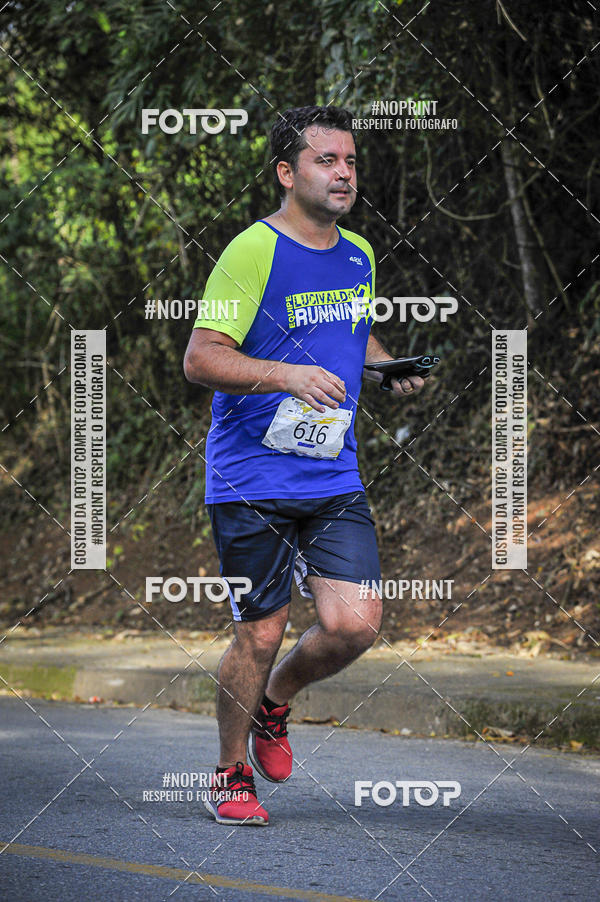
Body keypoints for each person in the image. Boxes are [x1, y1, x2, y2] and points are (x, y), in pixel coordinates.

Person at [183, 105, 424, 826]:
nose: (344, 172)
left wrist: (385, 366)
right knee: (259, 631)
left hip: (331, 476)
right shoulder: (251, 251)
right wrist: (286, 377)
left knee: (355, 623)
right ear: (288, 173)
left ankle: (275, 703)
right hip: (251, 478)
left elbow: (351, 330)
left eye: (350, 161)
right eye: (326, 161)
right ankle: (229, 775)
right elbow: (201, 358)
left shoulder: (357, 253)